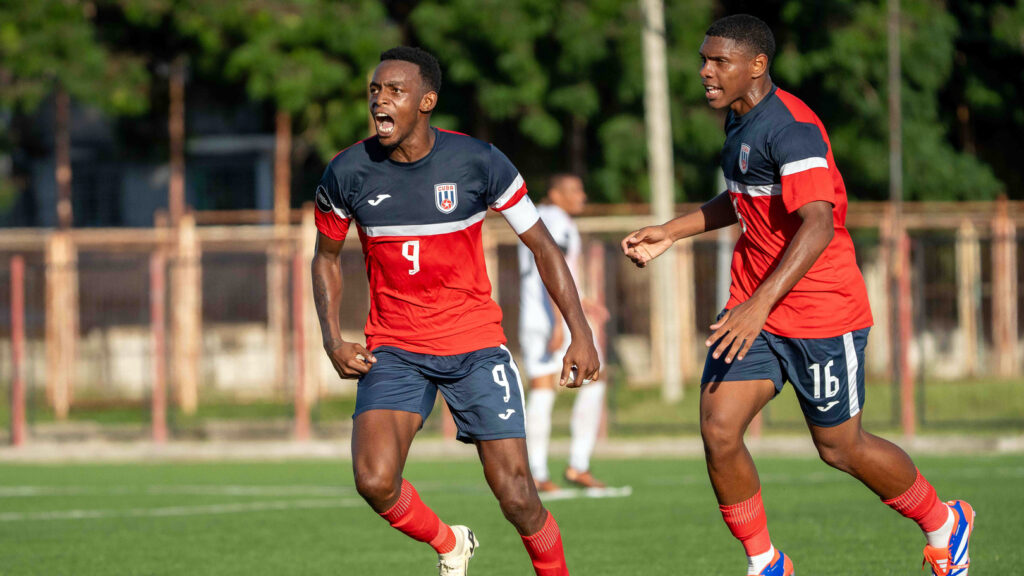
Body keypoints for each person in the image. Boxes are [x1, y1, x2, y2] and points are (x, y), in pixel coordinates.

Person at [621, 15, 973, 576]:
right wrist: (671, 231)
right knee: (718, 429)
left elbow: (817, 222)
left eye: (719, 62)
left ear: (757, 66)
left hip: (820, 311)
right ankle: (766, 563)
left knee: (840, 448)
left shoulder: (792, 129)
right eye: (704, 60)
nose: (706, 72)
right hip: (754, 309)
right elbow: (742, 196)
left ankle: (945, 523)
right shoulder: (739, 122)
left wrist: (759, 306)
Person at [311, 46, 599, 576]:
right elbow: (325, 258)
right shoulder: (346, 172)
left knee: (517, 496)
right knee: (375, 481)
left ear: (427, 101)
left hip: (474, 345)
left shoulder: (479, 161)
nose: (380, 100)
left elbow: (543, 245)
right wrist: (332, 339)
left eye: (395, 91)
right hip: (396, 347)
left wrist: (579, 332)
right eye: (375, 90)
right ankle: (450, 544)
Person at [518, 174, 609, 492]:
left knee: (564, 385)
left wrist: (584, 302)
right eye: (575, 190)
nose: (582, 195)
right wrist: (561, 323)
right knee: (557, 385)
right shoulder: (555, 220)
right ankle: (557, 469)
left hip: (541, 314)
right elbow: (549, 269)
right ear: (555, 194)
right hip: (550, 318)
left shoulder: (542, 217)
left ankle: (549, 471)